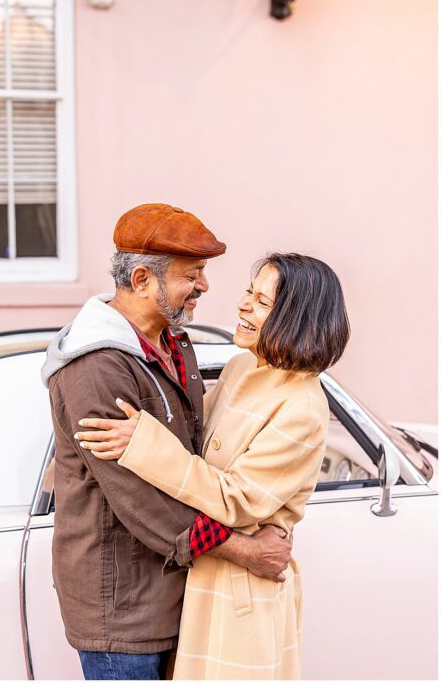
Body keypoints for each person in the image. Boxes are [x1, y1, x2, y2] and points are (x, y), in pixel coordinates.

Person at [41, 204, 295, 681]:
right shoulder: (95, 365)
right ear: (141, 280)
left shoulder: (174, 342)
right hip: (123, 608)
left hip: (180, 593)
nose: (204, 285)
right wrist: (244, 550)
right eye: (192, 274)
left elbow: (197, 449)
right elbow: (138, 498)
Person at [76, 253, 349, 679]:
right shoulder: (242, 367)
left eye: (262, 302)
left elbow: (235, 499)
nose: (243, 305)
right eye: (249, 292)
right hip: (197, 580)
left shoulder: (302, 406)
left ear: (297, 320)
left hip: (239, 598)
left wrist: (145, 444)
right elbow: (194, 441)